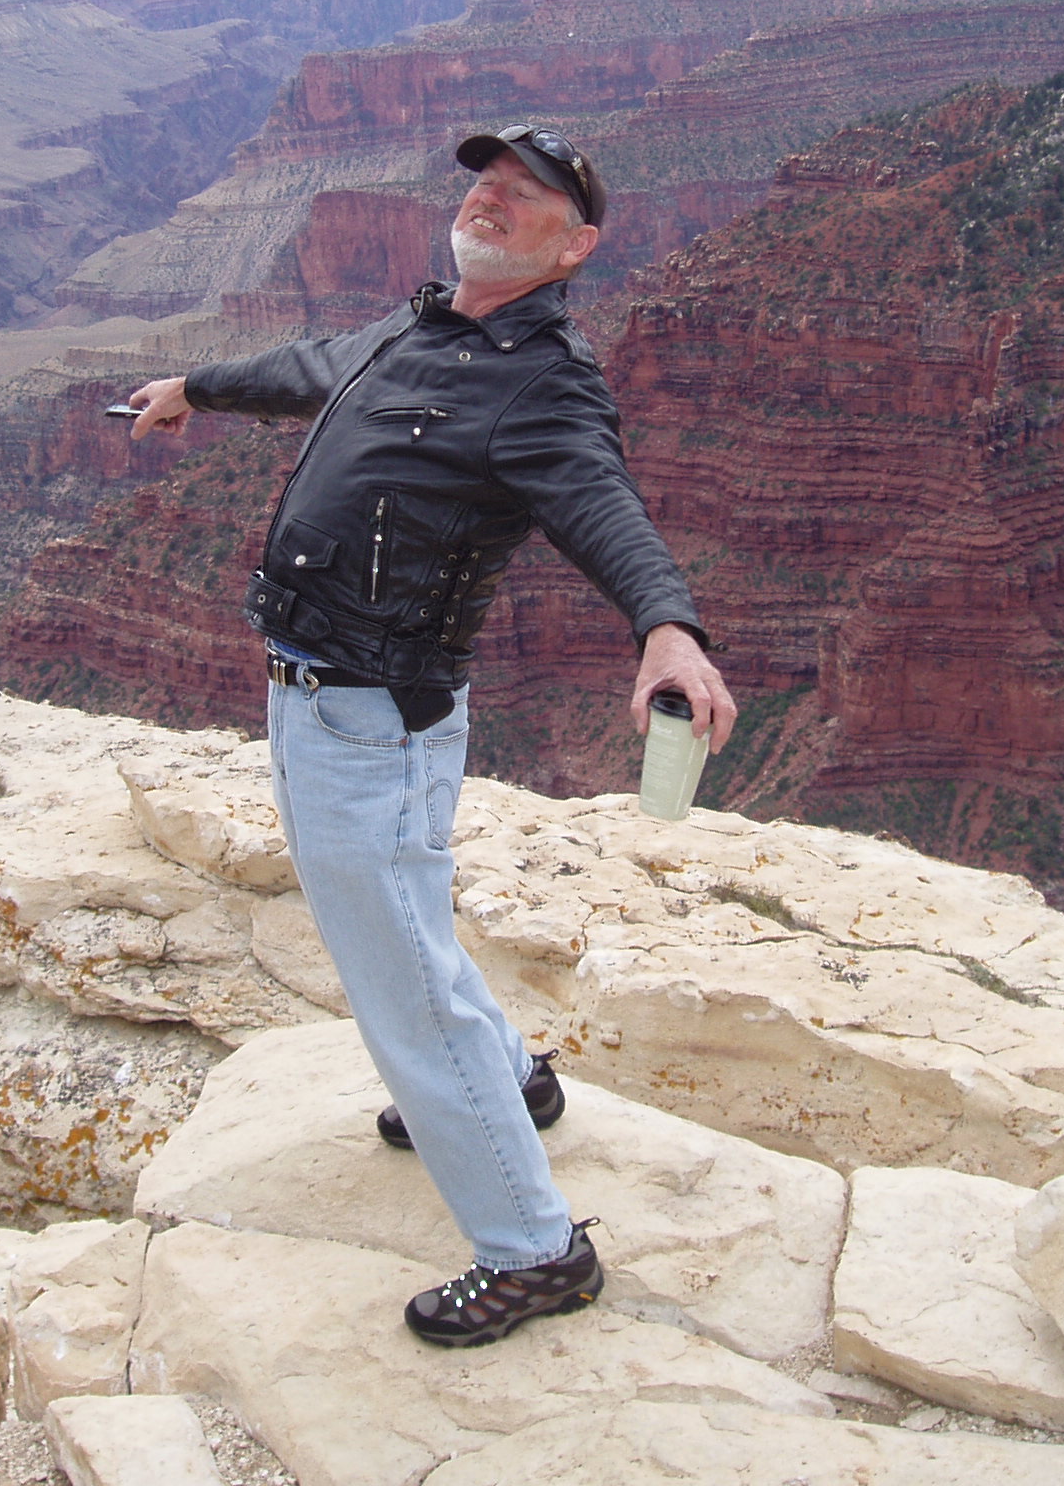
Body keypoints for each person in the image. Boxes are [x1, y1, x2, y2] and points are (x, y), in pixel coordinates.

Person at [126, 123, 735, 1348]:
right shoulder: (420, 329)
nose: (491, 200)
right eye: (486, 182)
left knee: (400, 991)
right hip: (322, 698)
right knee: (405, 923)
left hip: (371, 719)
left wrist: (666, 628)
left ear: (575, 248)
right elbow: (308, 367)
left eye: (526, 196)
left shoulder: (542, 382)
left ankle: (532, 1250)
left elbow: (600, 499)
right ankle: (511, 1080)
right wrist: (197, 388)